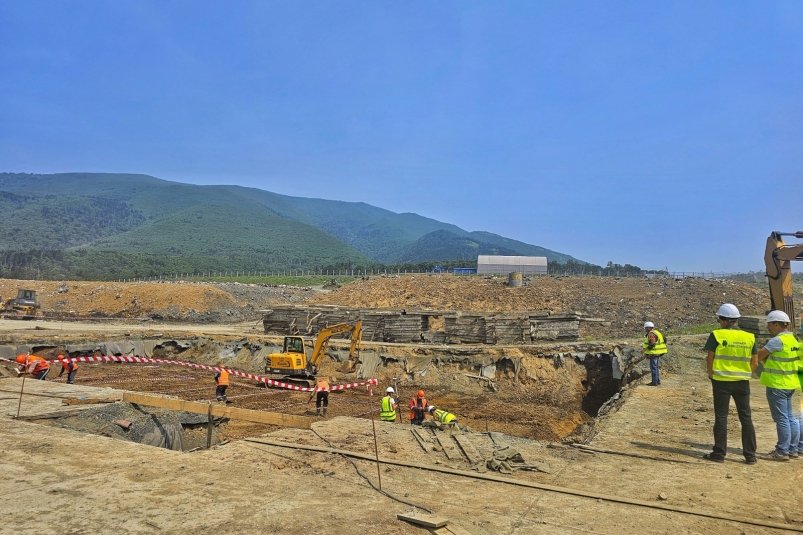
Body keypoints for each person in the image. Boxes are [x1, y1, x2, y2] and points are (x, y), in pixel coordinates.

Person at [702, 303, 758, 464]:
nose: (719, 322)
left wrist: (711, 374)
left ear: (725, 320)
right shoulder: (749, 336)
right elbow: (755, 362)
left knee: (721, 417)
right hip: (742, 382)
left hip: (721, 382)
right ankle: (750, 455)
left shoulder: (717, 335)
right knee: (746, 417)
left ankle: (719, 454)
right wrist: (746, 373)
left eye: (719, 319)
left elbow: (710, 358)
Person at [755, 311, 801, 461]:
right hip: (790, 383)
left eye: (769, 324)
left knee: (781, 419)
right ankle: (793, 449)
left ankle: (782, 451)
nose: (768, 327)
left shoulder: (777, 341)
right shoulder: (793, 339)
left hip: (777, 384)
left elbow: (760, 355)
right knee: (790, 418)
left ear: (776, 324)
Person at [642, 321, 667, 386]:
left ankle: (654, 382)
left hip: (654, 353)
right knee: (656, 367)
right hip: (658, 353)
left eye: (645, 328)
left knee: (653, 368)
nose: (645, 330)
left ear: (648, 328)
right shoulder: (657, 332)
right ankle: (657, 381)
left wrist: (647, 352)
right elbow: (665, 339)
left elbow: (652, 344)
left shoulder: (651, 334)